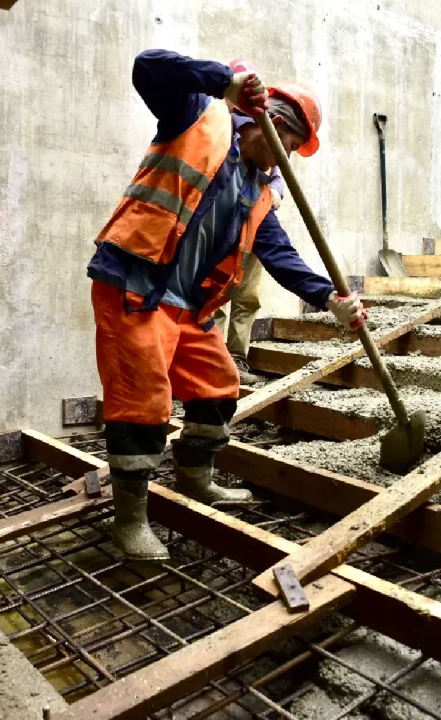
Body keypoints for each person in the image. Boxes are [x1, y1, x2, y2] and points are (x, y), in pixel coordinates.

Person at [87, 49, 368, 562]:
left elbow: (280, 255)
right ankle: (129, 523)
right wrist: (226, 82)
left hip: (188, 307)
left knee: (219, 388)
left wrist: (330, 300)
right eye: (293, 144)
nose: (290, 157)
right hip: (136, 286)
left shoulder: (259, 190)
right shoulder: (197, 117)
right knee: (143, 405)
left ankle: (196, 479)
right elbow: (148, 66)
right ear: (270, 124)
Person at [214, 165, 285, 386]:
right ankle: (211, 362)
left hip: (255, 225)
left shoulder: (273, 147)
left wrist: (275, 189)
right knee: (212, 295)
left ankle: (236, 360)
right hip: (222, 223)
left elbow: (277, 176)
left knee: (247, 297)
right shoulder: (238, 135)